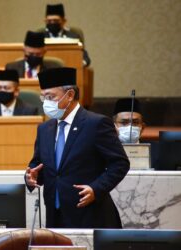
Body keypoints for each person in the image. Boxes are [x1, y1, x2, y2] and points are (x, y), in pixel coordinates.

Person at [25, 67, 129, 228]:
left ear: (70, 95)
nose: (46, 103)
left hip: (90, 214)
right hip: (55, 215)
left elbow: (120, 163)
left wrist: (96, 189)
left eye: (51, 97)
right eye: (43, 97)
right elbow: (38, 164)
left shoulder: (96, 124)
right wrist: (31, 177)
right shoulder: (44, 129)